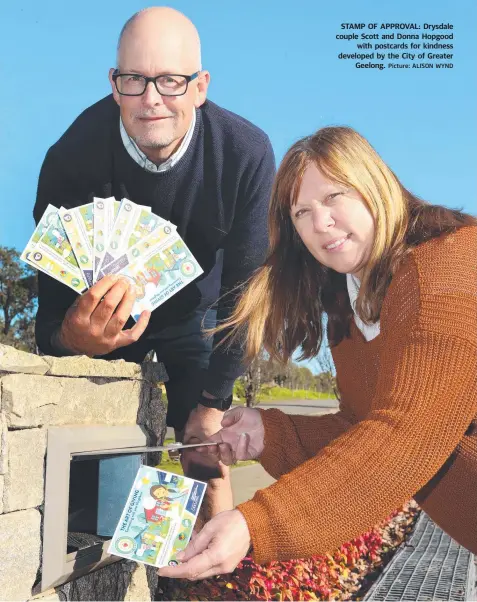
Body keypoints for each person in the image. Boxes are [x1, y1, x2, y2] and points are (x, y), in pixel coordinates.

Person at [158, 126, 477, 581]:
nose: (319, 223)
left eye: (333, 197)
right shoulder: (348, 305)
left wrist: (257, 523)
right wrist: (270, 432)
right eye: (301, 212)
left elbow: (407, 434)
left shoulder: (445, 269)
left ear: (375, 185)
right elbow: (361, 430)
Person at [33, 7, 275, 519]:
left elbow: (247, 296)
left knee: (205, 456)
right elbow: (48, 325)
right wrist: (75, 340)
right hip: (106, 323)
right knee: (108, 491)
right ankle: (129, 570)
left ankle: (214, 585)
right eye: (134, 80)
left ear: (200, 86)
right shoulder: (69, 163)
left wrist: (212, 403)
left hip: (199, 313)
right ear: (113, 83)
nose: (151, 100)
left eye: (170, 81)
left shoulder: (245, 153)